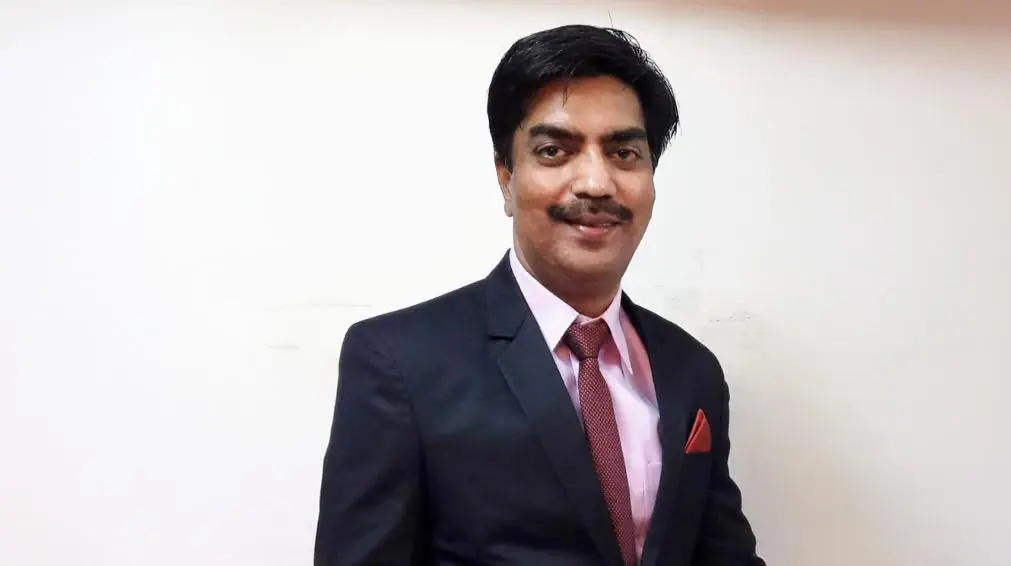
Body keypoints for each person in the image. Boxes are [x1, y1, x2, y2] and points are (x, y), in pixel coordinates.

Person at [314, 24, 767, 566]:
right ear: (506, 179)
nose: (596, 183)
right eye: (554, 151)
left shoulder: (691, 369)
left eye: (625, 153)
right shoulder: (399, 362)